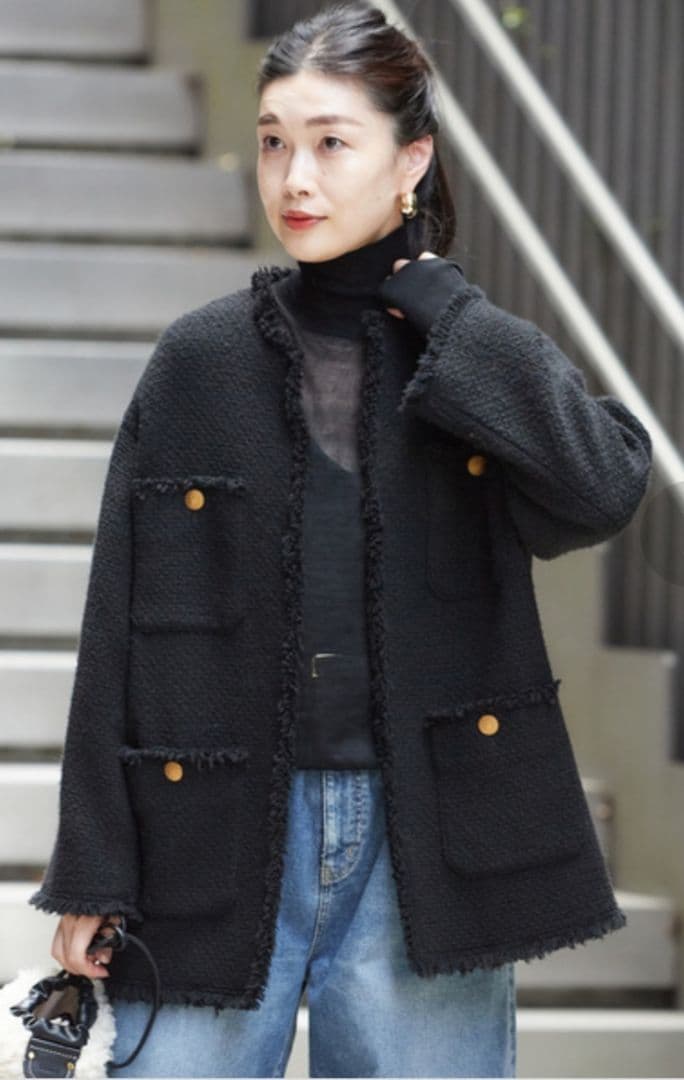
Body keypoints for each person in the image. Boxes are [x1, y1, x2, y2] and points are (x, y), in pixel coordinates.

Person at [30, 2, 652, 1077]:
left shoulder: (465, 364)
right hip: (208, 841)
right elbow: (116, 628)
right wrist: (93, 867)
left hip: (432, 847)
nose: (294, 178)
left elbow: (602, 488)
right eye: (274, 142)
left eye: (330, 143)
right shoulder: (199, 363)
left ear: (412, 159)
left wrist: (451, 312)